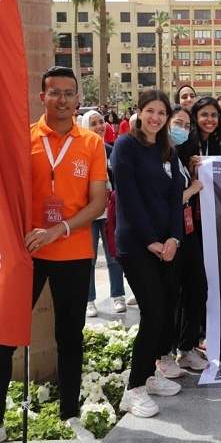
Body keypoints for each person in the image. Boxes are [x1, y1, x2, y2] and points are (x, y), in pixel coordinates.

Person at [0, 66, 107, 438]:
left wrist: (57, 230)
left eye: (69, 93)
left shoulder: (91, 143)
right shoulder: (23, 139)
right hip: (25, 253)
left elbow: (97, 203)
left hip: (73, 252)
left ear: (78, 99)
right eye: (54, 92)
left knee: (70, 336)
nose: (62, 99)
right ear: (41, 96)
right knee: (5, 334)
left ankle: (70, 413)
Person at [112, 90, 183, 418]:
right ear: (139, 112)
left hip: (165, 246)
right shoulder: (126, 145)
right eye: (150, 111)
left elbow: (174, 197)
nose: (155, 117)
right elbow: (128, 197)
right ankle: (134, 388)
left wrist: (173, 239)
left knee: (165, 312)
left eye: (161, 113)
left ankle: (150, 375)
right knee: (153, 312)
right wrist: (151, 240)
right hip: (137, 245)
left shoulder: (167, 149)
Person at [168, 105, 208, 372]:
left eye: (185, 125)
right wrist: (192, 188)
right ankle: (164, 355)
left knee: (197, 288)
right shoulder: (155, 155)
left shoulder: (179, 156)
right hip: (168, 234)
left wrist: (194, 174)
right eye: (177, 123)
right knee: (171, 296)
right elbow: (167, 200)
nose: (181, 129)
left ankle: (187, 346)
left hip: (188, 230)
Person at [80, 110, 125, 316]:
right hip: (88, 215)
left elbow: (117, 180)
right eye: (93, 123)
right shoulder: (79, 152)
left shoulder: (110, 149)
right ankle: (89, 300)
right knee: (87, 258)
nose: (99, 126)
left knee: (113, 256)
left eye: (100, 122)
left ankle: (118, 296)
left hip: (109, 214)